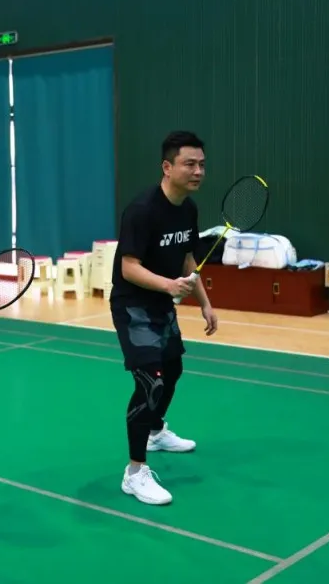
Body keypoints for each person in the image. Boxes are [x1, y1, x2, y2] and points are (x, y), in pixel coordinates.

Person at [108, 130, 219, 506]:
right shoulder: (142, 210)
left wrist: (205, 303)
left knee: (173, 370)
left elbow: (188, 259)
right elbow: (128, 267)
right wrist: (169, 286)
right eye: (190, 164)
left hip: (161, 304)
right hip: (133, 306)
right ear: (167, 167)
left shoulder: (188, 209)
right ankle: (135, 473)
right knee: (150, 382)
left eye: (202, 164)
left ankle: (155, 431)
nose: (198, 171)